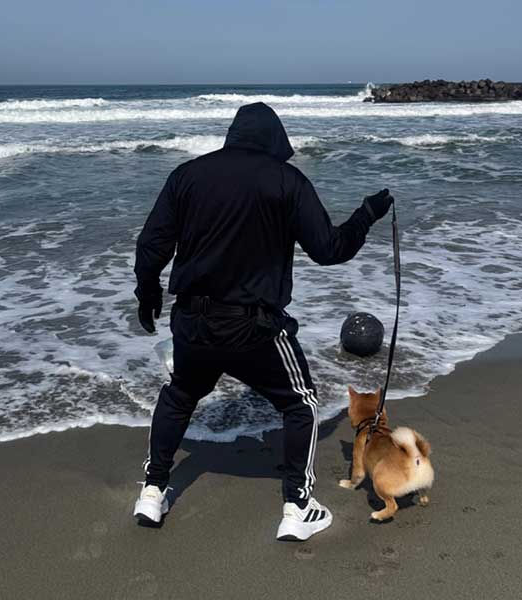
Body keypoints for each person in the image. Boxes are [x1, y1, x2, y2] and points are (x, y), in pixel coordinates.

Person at [132, 102, 394, 541]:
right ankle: (298, 506)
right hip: (253, 327)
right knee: (301, 404)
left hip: (193, 322)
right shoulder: (286, 181)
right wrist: (366, 214)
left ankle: (152, 491)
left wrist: (148, 293)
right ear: (275, 140)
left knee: (179, 395)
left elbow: (152, 244)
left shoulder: (187, 175)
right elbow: (329, 249)